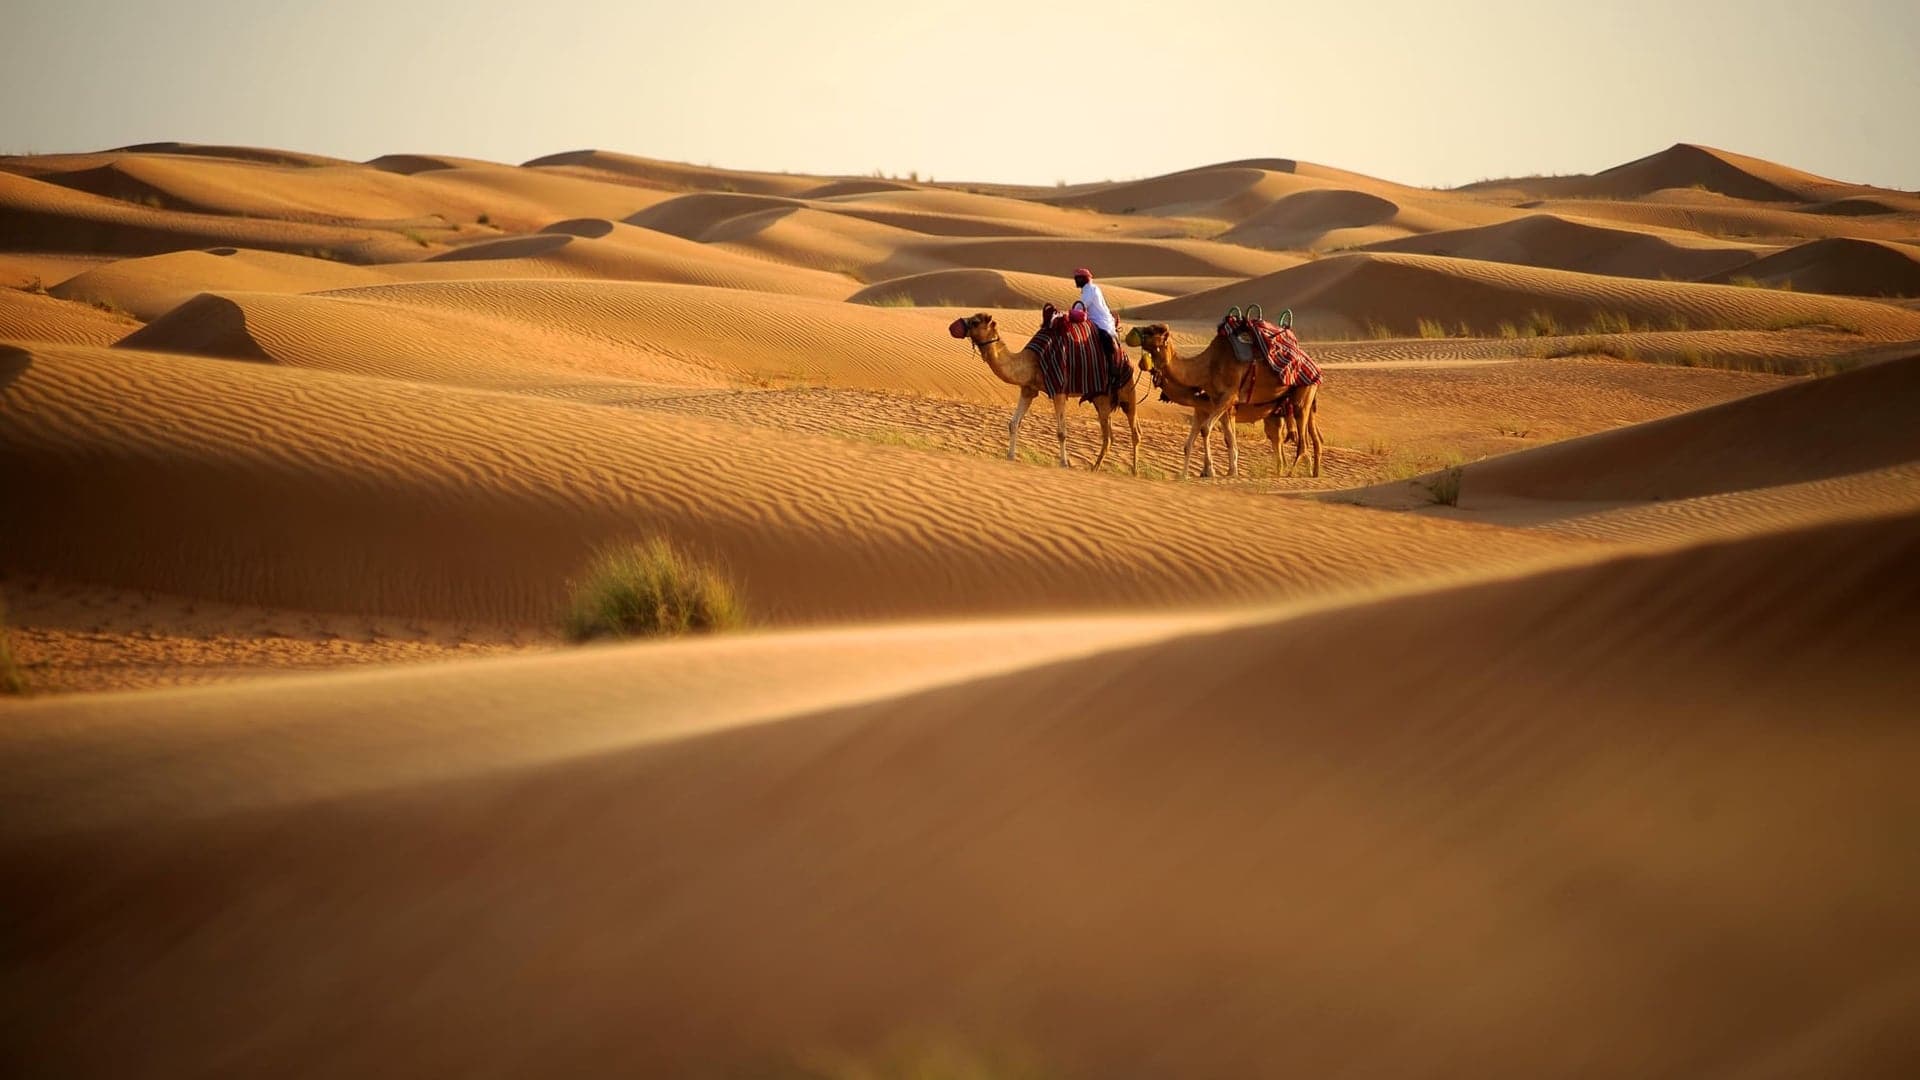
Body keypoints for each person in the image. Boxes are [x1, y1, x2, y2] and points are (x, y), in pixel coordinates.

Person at [1072, 267, 1120, 367]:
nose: (1076, 280)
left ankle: (1112, 365)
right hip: (1093, 321)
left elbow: (1083, 304)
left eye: (1078, 278)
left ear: (1084, 279)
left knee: (1105, 340)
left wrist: (1072, 312)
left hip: (1100, 322)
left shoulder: (1090, 289)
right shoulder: (1088, 289)